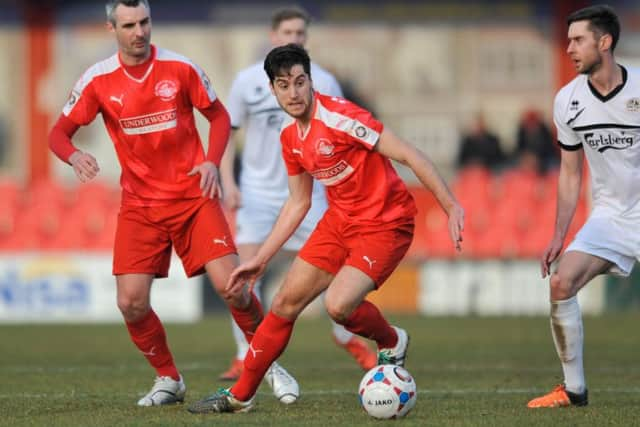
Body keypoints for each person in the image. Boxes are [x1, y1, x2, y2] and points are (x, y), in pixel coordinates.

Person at [187, 44, 464, 414]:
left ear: (310, 81)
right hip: (339, 222)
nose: (294, 92)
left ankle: (392, 339)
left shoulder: (343, 117)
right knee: (284, 302)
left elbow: (410, 154)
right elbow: (298, 203)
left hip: (386, 223)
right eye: (284, 85)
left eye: (300, 82)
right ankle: (240, 395)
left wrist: (450, 206)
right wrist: (262, 259)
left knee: (337, 305)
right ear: (273, 90)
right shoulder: (290, 139)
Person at [48, 0, 281, 407]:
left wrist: (211, 161)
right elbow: (58, 135)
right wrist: (75, 155)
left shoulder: (180, 68)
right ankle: (169, 378)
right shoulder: (98, 79)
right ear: (112, 29)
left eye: (145, 22)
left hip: (194, 198)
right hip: (141, 206)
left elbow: (220, 117)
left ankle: (268, 364)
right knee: (131, 302)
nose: (139, 32)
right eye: (129, 25)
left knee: (234, 289)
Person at [218, 6, 376, 383]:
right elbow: (227, 131)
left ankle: (346, 336)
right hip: (257, 194)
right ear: (273, 36)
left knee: (339, 279)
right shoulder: (246, 82)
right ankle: (245, 355)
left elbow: (344, 140)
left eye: (301, 33)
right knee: (242, 277)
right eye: (288, 32)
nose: (295, 38)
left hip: (311, 194)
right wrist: (229, 181)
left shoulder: (323, 81)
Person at [527, 5, 640, 408]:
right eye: (569, 39)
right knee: (561, 282)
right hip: (610, 216)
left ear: (604, 42)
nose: (570, 47)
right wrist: (559, 234)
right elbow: (571, 173)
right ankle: (573, 389)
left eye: (578, 40)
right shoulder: (568, 100)